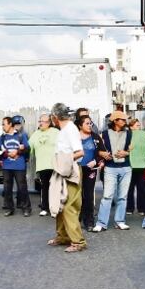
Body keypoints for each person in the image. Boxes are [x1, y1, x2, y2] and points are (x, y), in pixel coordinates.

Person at [47, 102, 85, 253]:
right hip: (62, 170)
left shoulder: (70, 129)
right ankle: (62, 236)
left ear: (55, 117)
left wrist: (64, 160)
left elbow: (79, 152)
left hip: (71, 171)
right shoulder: (63, 129)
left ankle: (78, 241)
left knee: (69, 206)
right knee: (60, 204)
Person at [93, 111, 133, 232]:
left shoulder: (130, 133)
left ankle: (120, 221)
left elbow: (134, 149)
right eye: (122, 119)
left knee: (123, 196)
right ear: (115, 121)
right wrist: (102, 153)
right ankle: (101, 223)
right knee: (107, 196)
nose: (125, 122)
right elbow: (97, 150)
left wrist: (127, 153)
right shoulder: (104, 134)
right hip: (110, 168)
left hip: (126, 167)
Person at [76, 115, 107, 231]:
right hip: (76, 169)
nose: (90, 126)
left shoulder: (95, 137)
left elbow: (103, 153)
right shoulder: (74, 137)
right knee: (76, 195)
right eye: (87, 123)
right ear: (80, 125)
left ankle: (89, 221)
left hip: (90, 169)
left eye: (91, 123)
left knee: (88, 195)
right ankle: (75, 221)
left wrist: (96, 161)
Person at [0, 116, 30, 216]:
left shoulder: (21, 135)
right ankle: (9, 208)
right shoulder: (2, 137)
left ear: (10, 124)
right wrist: (7, 154)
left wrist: (18, 152)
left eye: (4, 124)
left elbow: (27, 148)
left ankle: (26, 208)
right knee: (7, 188)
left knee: (22, 187)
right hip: (7, 166)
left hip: (19, 165)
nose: (3, 126)